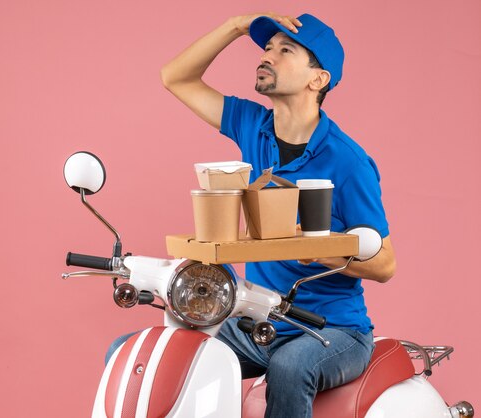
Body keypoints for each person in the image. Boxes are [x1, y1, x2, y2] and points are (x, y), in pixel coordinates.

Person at [157, 12, 397, 418]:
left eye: (286, 50)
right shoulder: (253, 126)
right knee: (167, 355)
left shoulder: (348, 162)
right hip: (259, 321)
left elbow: (385, 264)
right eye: (267, 47)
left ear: (317, 80)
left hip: (333, 331)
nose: (267, 55)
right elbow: (175, 77)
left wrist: (316, 250)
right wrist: (236, 26)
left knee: (290, 366)